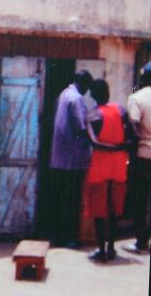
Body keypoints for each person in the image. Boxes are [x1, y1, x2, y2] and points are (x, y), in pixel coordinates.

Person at [84, 79, 131, 262]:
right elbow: (131, 137)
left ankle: (101, 250)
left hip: (100, 165)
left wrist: (113, 147)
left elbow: (94, 142)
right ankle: (111, 248)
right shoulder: (121, 111)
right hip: (119, 164)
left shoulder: (92, 115)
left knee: (99, 209)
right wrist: (120, 148)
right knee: (114, 208)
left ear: (94, 96)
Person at [48, 69, 93, 247]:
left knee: (60, 199)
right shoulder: (76, 99)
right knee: (72, 201)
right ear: (82, 83)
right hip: (73, 159)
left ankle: (58, 236)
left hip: (59, 158)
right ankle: (70, 238)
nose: (87, 91)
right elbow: (82, 128)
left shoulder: (63, 95)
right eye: (87, 87)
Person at [125, 61, 151, 254]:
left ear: (144, 77)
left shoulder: (136, 98)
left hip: (144, 155)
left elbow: (134, 128)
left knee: (141, 200)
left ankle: (141, 242)